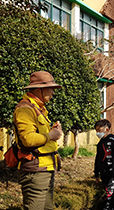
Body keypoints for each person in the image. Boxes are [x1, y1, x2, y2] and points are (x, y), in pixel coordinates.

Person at [14, 71, 63, 210]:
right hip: (35, 171)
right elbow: (28, 139)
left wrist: (52, 131)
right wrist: (51, 135)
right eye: (51, 88)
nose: (53, 93)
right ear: (39, 89)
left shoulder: (38, 108)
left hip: (45, 168)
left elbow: (37, 136)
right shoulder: (25, 109)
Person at [93, 119, 114, 210]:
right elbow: (98, 158)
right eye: (96, 131)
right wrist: (96, 173)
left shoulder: (112, 141)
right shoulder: (100, 143)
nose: (98, 133)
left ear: (107, 129)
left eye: (99, 130)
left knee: (109, 194)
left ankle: (107, 207)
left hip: (111, 172)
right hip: (103, 172)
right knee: (107, 192)